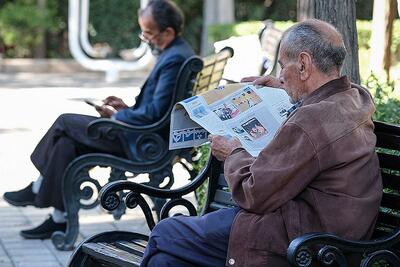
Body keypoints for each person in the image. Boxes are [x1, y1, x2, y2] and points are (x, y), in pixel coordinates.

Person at [139, 19, 382, 266]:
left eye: (282, 66)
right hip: (326, 231)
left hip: (301, 241)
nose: (279, 76)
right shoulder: (354, 97)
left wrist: (233, 153)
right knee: (165, 262)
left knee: (164, 233)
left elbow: (253, 192)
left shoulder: (311, 121)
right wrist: (283, 87)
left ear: (303, 65)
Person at [3, 0, 194, 240]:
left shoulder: (174, 59)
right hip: (146, 136)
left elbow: (154, 115)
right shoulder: (177, 52)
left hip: (143, 143)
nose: (145, 39)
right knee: (65, 144)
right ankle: (58, 220)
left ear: (168, 32)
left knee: (64, 122)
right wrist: (126, 107)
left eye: (148, 33)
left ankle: (37, 188)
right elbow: (157, 108)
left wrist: (116, 116)